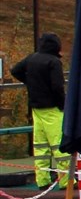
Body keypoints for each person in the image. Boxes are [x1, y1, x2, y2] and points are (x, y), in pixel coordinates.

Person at [9, 33, 67, 189]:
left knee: (41, 147)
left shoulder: (32, 58)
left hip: (36, 109)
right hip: (53, 110)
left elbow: (15, 70)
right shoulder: (54, 62)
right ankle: (67, 181)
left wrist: (30, 82)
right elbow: (57, 87)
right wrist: (63, 104)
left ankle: (42, 179)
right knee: (60, 146)